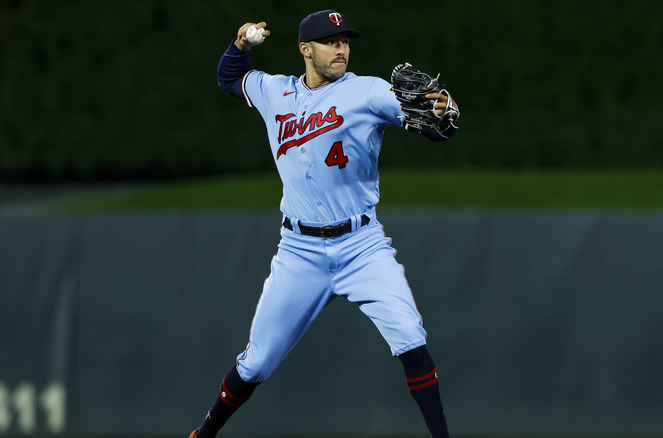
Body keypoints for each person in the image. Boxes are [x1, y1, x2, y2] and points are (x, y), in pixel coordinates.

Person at [190, 9, 460, 438]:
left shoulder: (368, 92)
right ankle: (203, 434)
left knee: (410, 337)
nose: (341, 49)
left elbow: (429, 121)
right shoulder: (274, 91)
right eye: (331, 41)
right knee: (256, 362)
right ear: (306, 49)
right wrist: (240, 43)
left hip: (361, 245)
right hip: (300, 252)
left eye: (345, 41)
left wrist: (441, 111)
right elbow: (230, 77)